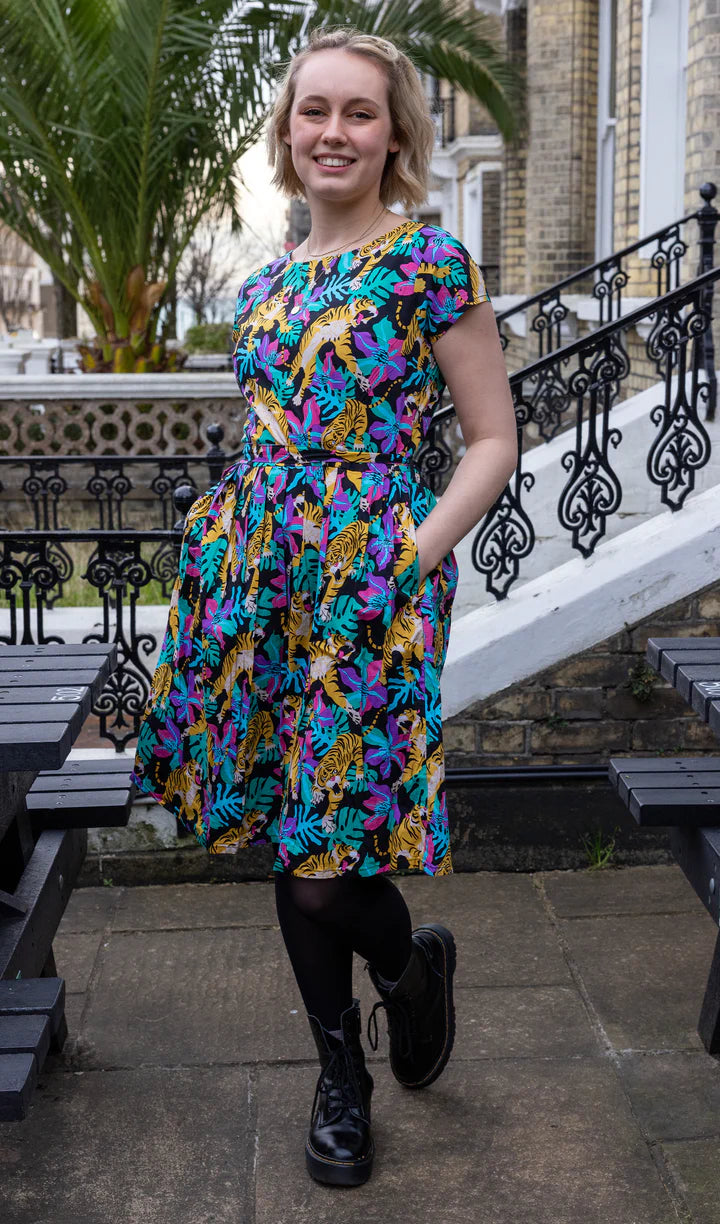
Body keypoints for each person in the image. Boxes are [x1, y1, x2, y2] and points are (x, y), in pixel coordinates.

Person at [131, 26, 516, 1189]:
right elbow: (276, 438)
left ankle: (406, 971)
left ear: (396, 134)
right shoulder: (266, 281)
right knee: (289, 828)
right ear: (287, 130)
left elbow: (492, 440)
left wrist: (409, 558)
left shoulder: (428, 263)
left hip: (372, 589)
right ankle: (343, 1066)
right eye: (315, 111)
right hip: (257, 587)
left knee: (325, 856)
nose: (333, 132)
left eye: (359, 112)